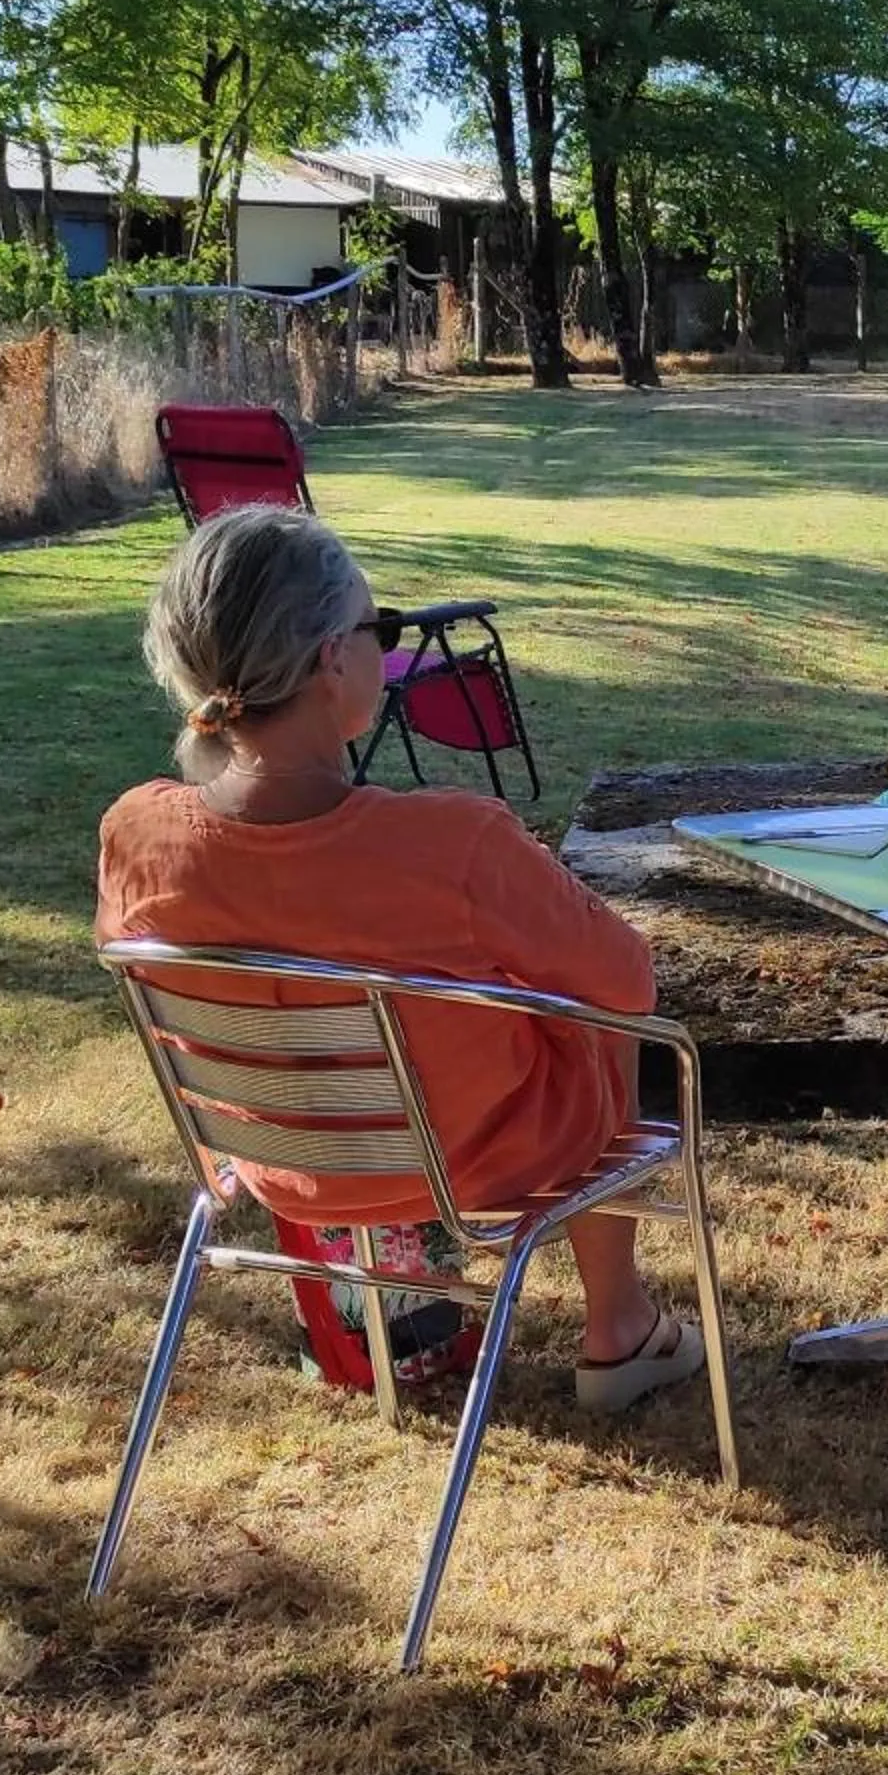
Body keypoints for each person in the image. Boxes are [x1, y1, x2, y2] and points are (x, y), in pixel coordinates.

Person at [95, 503, 705, 1411]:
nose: (384, 650)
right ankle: (616, 1325)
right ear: (327, 662)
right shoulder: (454, 845)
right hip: (472, 1164)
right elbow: (626, 979)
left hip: (276, 1163)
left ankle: (395, 1319)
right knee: (591, 1028)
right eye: (375, 630)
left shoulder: (135, 832)